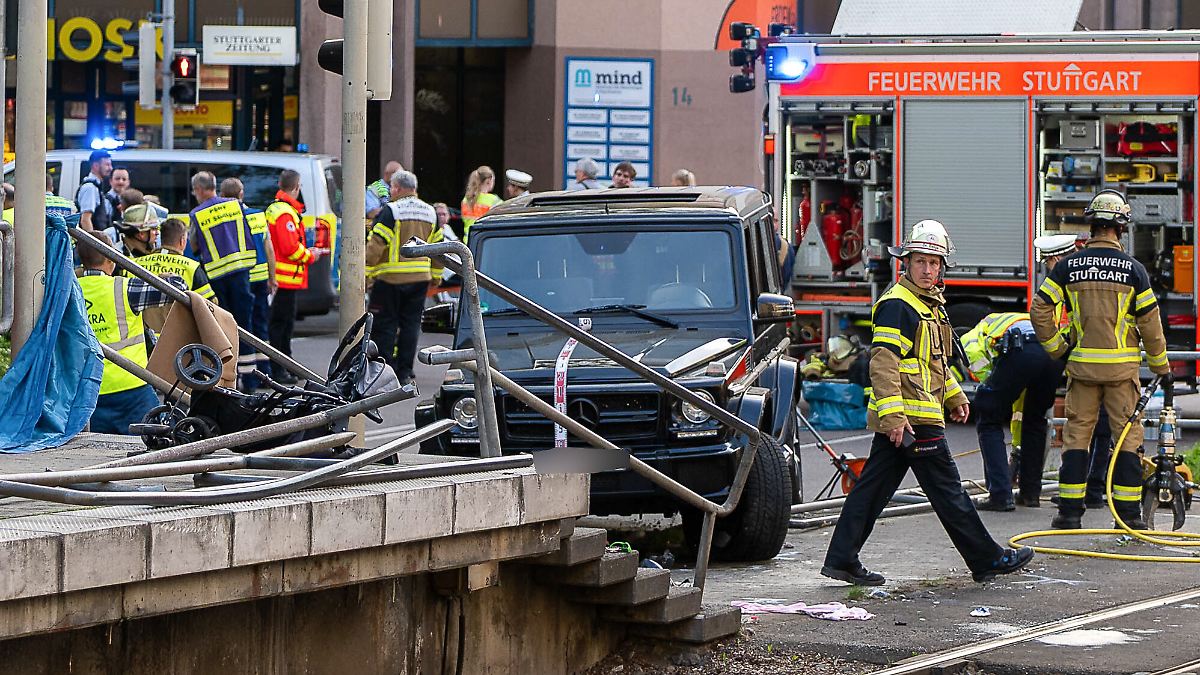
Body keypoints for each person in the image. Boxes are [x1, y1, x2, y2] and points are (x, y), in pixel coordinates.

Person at [821, 220, 1034, 586]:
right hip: (913, 419)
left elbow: (932, 362)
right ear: (906, 262)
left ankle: (841, 558)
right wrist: (894, 418)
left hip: (914, 416)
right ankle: (987, 559)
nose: (927, 269)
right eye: (920, 261)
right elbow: (884, 363)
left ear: (942, 267)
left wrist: (953, 394)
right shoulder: (898, 305)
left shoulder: (927, 304)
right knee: (949, 491)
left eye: (934, 263)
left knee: (872, 490)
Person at [1030, 190, 1170, 531]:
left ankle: (1069, 514)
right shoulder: (1134, 270)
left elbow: (1040, 308)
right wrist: (1161, 367)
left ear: (1091, 225)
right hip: (1122, 372)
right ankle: (1128, 516)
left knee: (1077, 436)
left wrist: (1057, 349)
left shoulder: (1069, 266)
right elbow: (1150, 324)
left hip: (1081, 370)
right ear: (1121, 228)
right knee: (1127, 438)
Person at [965, 235, 1076, 511]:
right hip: (1054, 354)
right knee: (1035, 419)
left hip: (1026, 347)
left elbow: (981, 366)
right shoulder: (1075, 286)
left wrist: (988, 388)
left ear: (1056, 259)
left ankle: (999, 495)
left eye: (1048, 262)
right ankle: (1030, 493)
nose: (1048, 267)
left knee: (988, 414)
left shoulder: (973, 335)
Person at [80, 230, 186, 434]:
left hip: (88, 392)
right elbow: (178, 288)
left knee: (95, 448)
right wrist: (160, 276)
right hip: (132, 387)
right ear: (111, 259)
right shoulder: (124, 288)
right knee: (154, 441)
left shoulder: (69, 291)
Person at [366, 170, 443, 384]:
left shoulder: (392, 211)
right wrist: (436, 277)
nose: (391, 192)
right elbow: (438, 249)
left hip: (390, 279)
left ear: (398, 188)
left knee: (385, 325)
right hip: (419, 279)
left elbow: (375, 246)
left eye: (392, 188)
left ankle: (384, 371)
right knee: (410, 325)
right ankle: (405, 372)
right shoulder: (430, 212)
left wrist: (365, 273)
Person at [188, 170, 256, 378]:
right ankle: (250, 377)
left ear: (199, 189)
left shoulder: (197, 214)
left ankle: (228, 376)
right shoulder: (235, 205)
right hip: (241, 272)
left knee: (222, 327)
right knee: (244, 325)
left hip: (216, 278)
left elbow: (194, 245)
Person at [267, 169, 321, 384]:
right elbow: (290, 248)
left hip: (282, 279)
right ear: (296, 187)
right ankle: (279, 369)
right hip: (284, 280)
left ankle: (285, 365)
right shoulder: (285, 213)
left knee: (282, 325)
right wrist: (310, 255)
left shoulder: (277, 209)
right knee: (281, 326)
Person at [221, 177, 274, 388]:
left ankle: (248, 378)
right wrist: (273, 277)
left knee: (242, 328)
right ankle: (266, 372)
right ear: (242, 194)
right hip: (261, 279)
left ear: (222, 196)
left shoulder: (223, 219)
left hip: (239, 280)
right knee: (261, 326)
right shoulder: (258, 216)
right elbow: (269, 249)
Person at [136, 216, 216, 333]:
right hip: (177, 339)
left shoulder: (135, 265)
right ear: (182, 240)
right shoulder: (191, 267)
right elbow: (211, 306)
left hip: (142, 339)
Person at [76, 150, 114, 232]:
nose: (111, 168)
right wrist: (92, 240)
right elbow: (85, 220)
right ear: (96, 166)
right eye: (107, 165)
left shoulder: (95, 187)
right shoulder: (90, 188)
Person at [460, 166, 500, 242]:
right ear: (488, 181)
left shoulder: (466, 199)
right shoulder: (493, 200)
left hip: (467, 241)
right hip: (485, 241)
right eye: (493, 180)